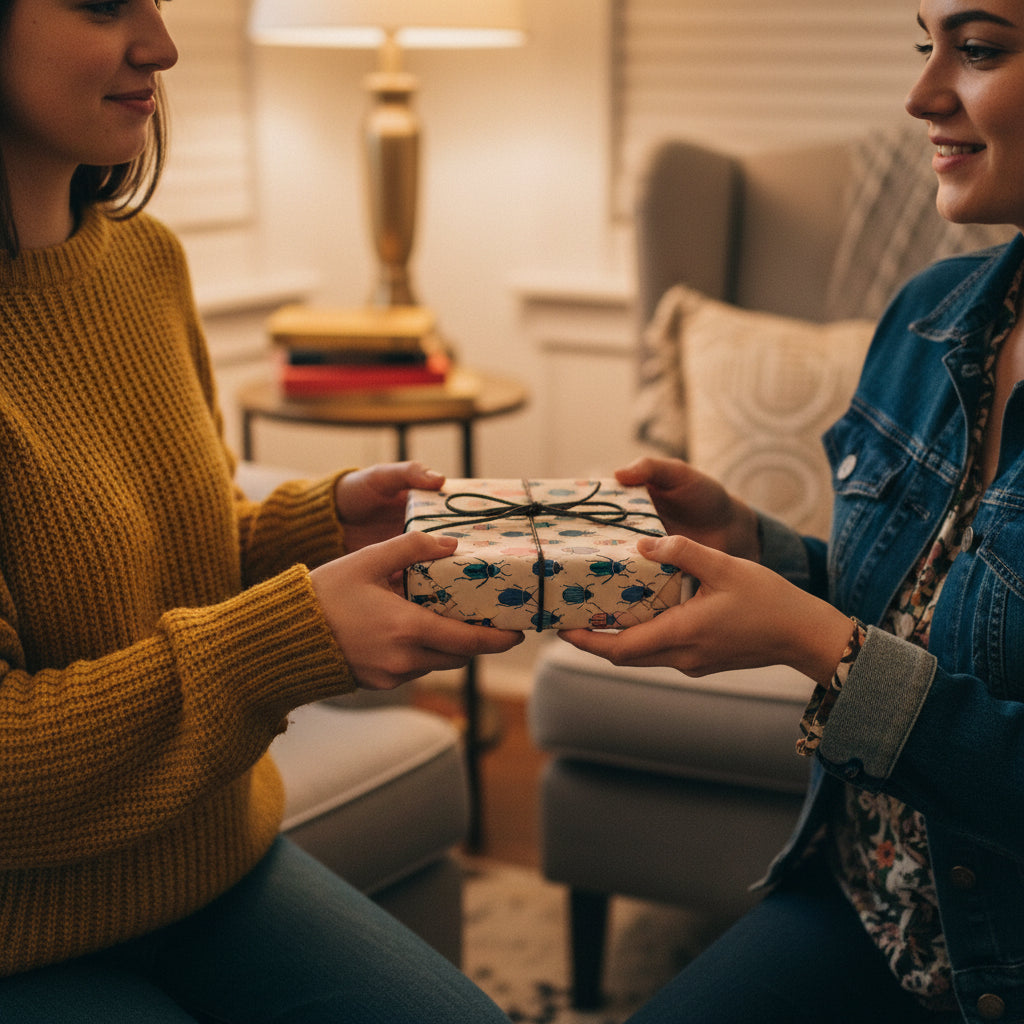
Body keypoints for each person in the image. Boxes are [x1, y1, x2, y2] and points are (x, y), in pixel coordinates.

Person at [0, 1, 525, 1020]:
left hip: (212, 864)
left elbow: (168, 562)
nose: (161, 46)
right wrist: (299, 631)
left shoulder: (145, 263)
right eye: (105, 4)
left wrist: (318, 527)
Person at [562, 1, 1024, 1021]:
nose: (920, 95)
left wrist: (809, 639)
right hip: (861, 901)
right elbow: (935, 609)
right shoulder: (930, 318)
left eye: (980, 50)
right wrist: (757, 551)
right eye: (926, 45)